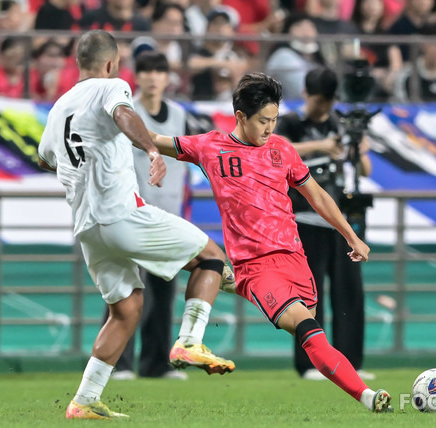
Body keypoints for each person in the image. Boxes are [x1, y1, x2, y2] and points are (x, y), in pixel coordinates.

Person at [150, 72, 393, 413]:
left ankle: (230, 280)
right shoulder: (210, 146)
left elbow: (318, 196)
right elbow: (154, 138)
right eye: (264, 121)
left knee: (312, 338)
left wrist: (351, 236)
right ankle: (367, 396)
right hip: (258, 265)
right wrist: (113, 121)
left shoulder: (281, 149)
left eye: (275, 120)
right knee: (307, 327)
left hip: (295, 260)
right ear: (240, 117)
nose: (270, 128)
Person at [37, 30, 235, 420]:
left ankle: (84, 400)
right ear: (112, 64)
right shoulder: (113, 87)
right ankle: (190, 341)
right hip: (120, 212)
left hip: (88, 227)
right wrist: (148, 149)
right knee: (212, 259)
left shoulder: (60, 107)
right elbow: (124, 114)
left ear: (79, 63)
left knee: (126, 308)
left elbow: (45, 157)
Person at [274, 67, 374, 381]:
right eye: (319, 100)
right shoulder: (290, 123)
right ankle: (310, 364)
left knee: (349, 294)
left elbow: (366, 170)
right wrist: (321, 147)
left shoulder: (339, 125)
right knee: (306, 297)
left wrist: (358, 147)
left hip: (338, 223)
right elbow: (274, 151)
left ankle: (351, 364)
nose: (325, 107)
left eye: (329, 101)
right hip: (302, 221)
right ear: (306, 94)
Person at [101, 51, 191, 381]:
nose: (153, 77)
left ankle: (157, 364)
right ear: (136, 76)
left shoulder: (180, 115)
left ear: (168, 77)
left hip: (167, 217)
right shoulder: (126, 111)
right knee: (125, 293)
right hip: (132, 215)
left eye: (159, 71)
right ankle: (118, 364)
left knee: (164, 295)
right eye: (147, 71)